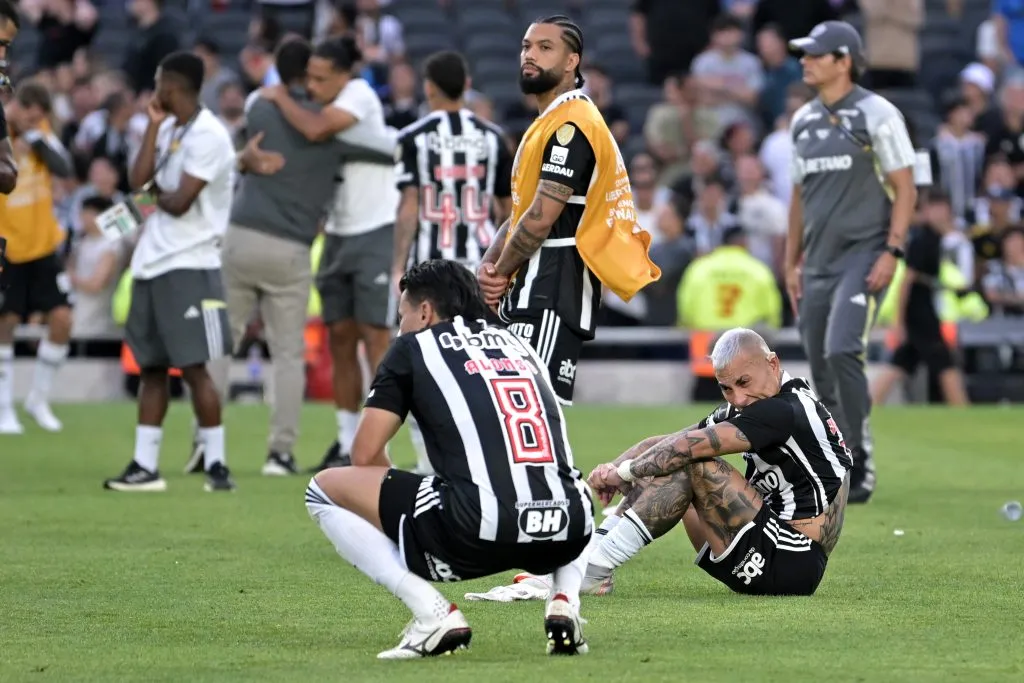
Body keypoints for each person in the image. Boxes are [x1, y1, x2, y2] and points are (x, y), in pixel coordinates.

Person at [304, 260, 594, 658]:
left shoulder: (412, 347)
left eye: (402, 314)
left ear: (424, 311)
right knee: (566, 484)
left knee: (322, 489)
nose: (400, 325)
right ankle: (564, 602)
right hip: (569, 533)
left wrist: (394, 512)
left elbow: (365, 454)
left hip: (473, 531)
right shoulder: (518, 342)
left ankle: (433, 615)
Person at [466, 328, 852, 602]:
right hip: (765, 543)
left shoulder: (783, 411)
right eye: (727, 388)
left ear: (773, 363)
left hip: (792, 560)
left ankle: (592, 571)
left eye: (744, 382)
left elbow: (685, 450)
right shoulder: (763, 402)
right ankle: (588, 564)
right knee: (674, 455)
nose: (738, 398)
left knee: (692, 462)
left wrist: (624, 474)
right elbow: (666, 442)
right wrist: (610, 470)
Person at [190, 37, 396, 477]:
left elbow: (218, 159)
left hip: (236, 239)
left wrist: (242, 160)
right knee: (287, 354)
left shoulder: (257, 107)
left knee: (220, 344)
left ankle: (205, 445)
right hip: (290, 249)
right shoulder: (332, 131)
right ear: (308, 76)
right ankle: (280, 454)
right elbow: (382, 150)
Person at [477, 15, 660, 408]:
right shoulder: (550, 121)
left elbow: (541, 216)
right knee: (513, 414)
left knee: (533, 413)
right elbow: (524, 210)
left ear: (571, 62)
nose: (530, 55)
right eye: (527, 46)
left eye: (545, 48)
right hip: (530, 287)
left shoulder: (573, 124)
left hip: (552, 287)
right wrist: (491, 265)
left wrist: (501, 270)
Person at [784, 21, 918, 504]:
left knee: (843, 350)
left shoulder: (877, 113)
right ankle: (839, 455)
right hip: (815, 261)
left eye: (816, 54)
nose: (805, 61)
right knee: (821, 365)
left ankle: (859, 455)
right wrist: (789, 261)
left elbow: (905, 186)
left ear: (845, 61)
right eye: (804, 53)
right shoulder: (802, 121)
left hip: (864, 254)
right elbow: (798, 199)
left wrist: (893, 249)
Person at [259, 36, 400, 473]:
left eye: (322, 79)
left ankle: (384, 444)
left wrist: (278, 93)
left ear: (344, 76)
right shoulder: (318, 106)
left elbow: (317, 130)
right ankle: (345, 442)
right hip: (338, 233)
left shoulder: (356, 95)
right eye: (310, 79)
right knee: (340, 339)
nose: (314, 86)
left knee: (378, 340)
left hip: (375, 228)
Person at [103, 51, 236, 492]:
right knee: (152, 368)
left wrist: (152, 191)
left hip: (191, 263)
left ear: (172, 84)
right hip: (152, 263)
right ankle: (145, 466)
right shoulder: (171, 129)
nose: (153, 89)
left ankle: (217, 466)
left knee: (195, 368)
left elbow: (179, 204)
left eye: (158, 81)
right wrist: (154, 128)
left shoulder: (210, 135)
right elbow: (138, 183)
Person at [392, 50, 514, 475]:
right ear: (466, 85)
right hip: (479, 269)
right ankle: (488, 456)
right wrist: (507, 264)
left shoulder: (412, 137)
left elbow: (409, 207)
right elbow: (507, 210)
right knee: (484, 365)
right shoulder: (493, 137)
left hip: (429, 269)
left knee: (416, 364)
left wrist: (396, 267)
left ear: (428, 88)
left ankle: (430, 463)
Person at [0, 81, 75, 435]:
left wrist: (37, 140)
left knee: (62, 320)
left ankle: (38, 399)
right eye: (27, 115)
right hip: (8, 245)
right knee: (7, 323)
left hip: (43, 244)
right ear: (15, 106)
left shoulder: (40, 135)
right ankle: (3, 408)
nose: (32, 121)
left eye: (39, 118)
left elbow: (64, 167)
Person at [871, 191, 970, 406]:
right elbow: (907, 281)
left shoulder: (935, 237)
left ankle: (868, 406)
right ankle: (963, 409)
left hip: (923, 308)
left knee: (902, 362)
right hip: (920, 312)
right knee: (944, 361)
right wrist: (898, 321)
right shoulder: (924, 240)